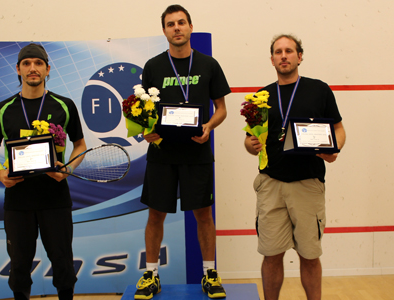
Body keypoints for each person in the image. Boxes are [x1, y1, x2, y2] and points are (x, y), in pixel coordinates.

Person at [133, 4, 230, 300]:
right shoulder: (153, 66)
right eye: (171, 24)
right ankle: (151, 275)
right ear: (164, 31)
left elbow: (222, 110)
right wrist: (146, 131)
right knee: (155, 216)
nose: (177, 28)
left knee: (203, 215)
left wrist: (209, 127)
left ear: (190, 27)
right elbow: (143, 113)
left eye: (181, 22)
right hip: (162, 154)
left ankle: (209, 273)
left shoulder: (209, 65)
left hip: (196, 153)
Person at [244, 34, 346, 300]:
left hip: (307, 183)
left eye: (289, 51)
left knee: (310, 256)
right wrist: (250, 144)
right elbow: (249, 138)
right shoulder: (259, 97)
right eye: (278, 52)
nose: (284, 56)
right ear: (272, 59)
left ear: (300, 56)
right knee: (271, 255)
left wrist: (334, 148)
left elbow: (338, 129)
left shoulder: (319, 89)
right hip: (271, 184)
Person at [0, 43, 87, 300]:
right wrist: (0, 173)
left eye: (38, 63)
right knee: (19, 265)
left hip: (55, 197)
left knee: (62, 262)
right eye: (27, 63)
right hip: (18, 200)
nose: (33, 68)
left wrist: (68, 169)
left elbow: (80, 146)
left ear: (48, 69)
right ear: (18, 69)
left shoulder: (64, 105)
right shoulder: (2, 109)